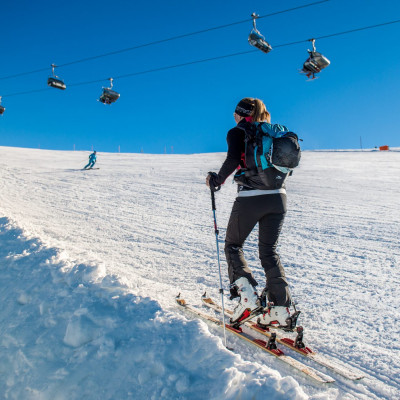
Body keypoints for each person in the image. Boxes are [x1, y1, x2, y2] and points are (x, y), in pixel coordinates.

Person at [206, 97, 293, 329]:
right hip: (279, 197)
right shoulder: (272, 133)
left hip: (251, 197)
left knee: (233, 245)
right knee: (269, 251)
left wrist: (217, 179)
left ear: (240, 113)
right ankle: (280, 309)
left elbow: (234, 158)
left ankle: (246, 297)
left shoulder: (238, 131)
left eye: (234, 113)